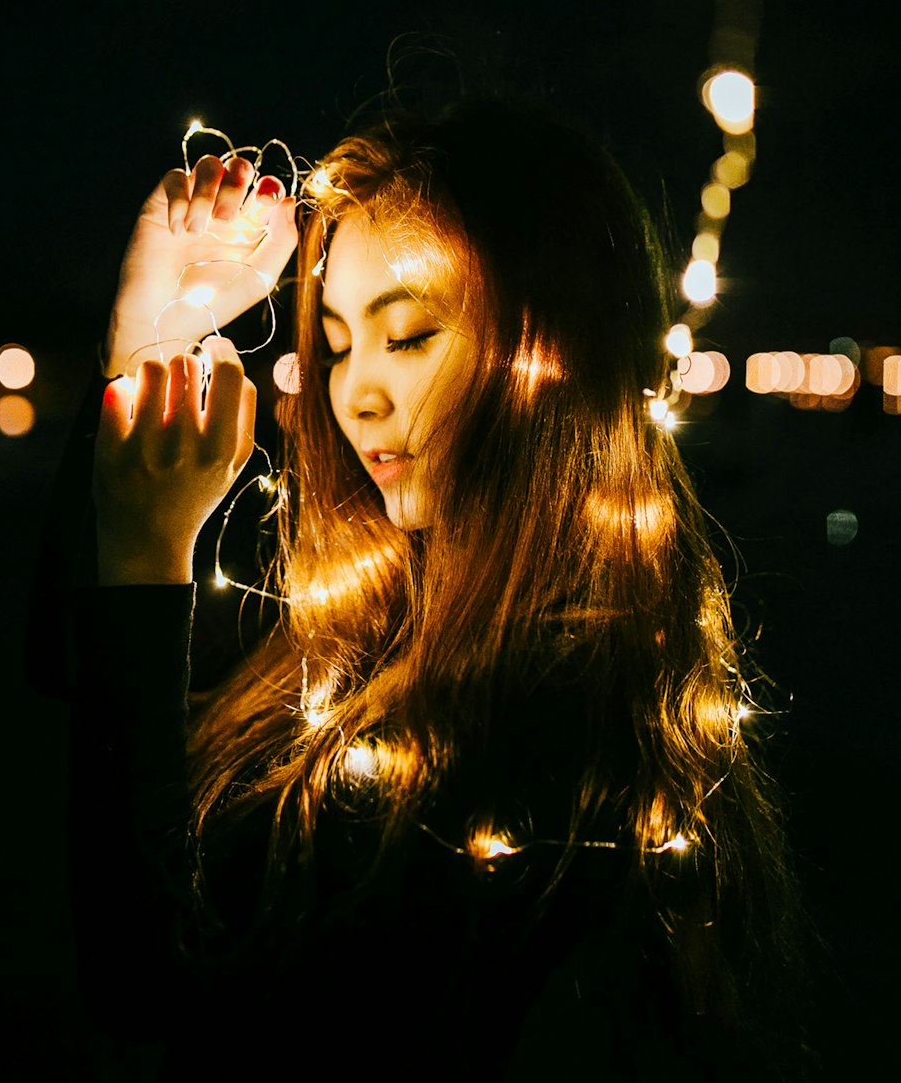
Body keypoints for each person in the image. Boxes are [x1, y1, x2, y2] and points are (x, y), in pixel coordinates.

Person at [67, 97, 804, 1079]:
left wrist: (144, 554)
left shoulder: (562, 772)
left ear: (560, 349)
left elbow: (155, 982)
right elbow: (101, 720)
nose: (357, 390)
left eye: (407, 334)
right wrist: (147, 341)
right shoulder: (352, 632)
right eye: (335, 341)